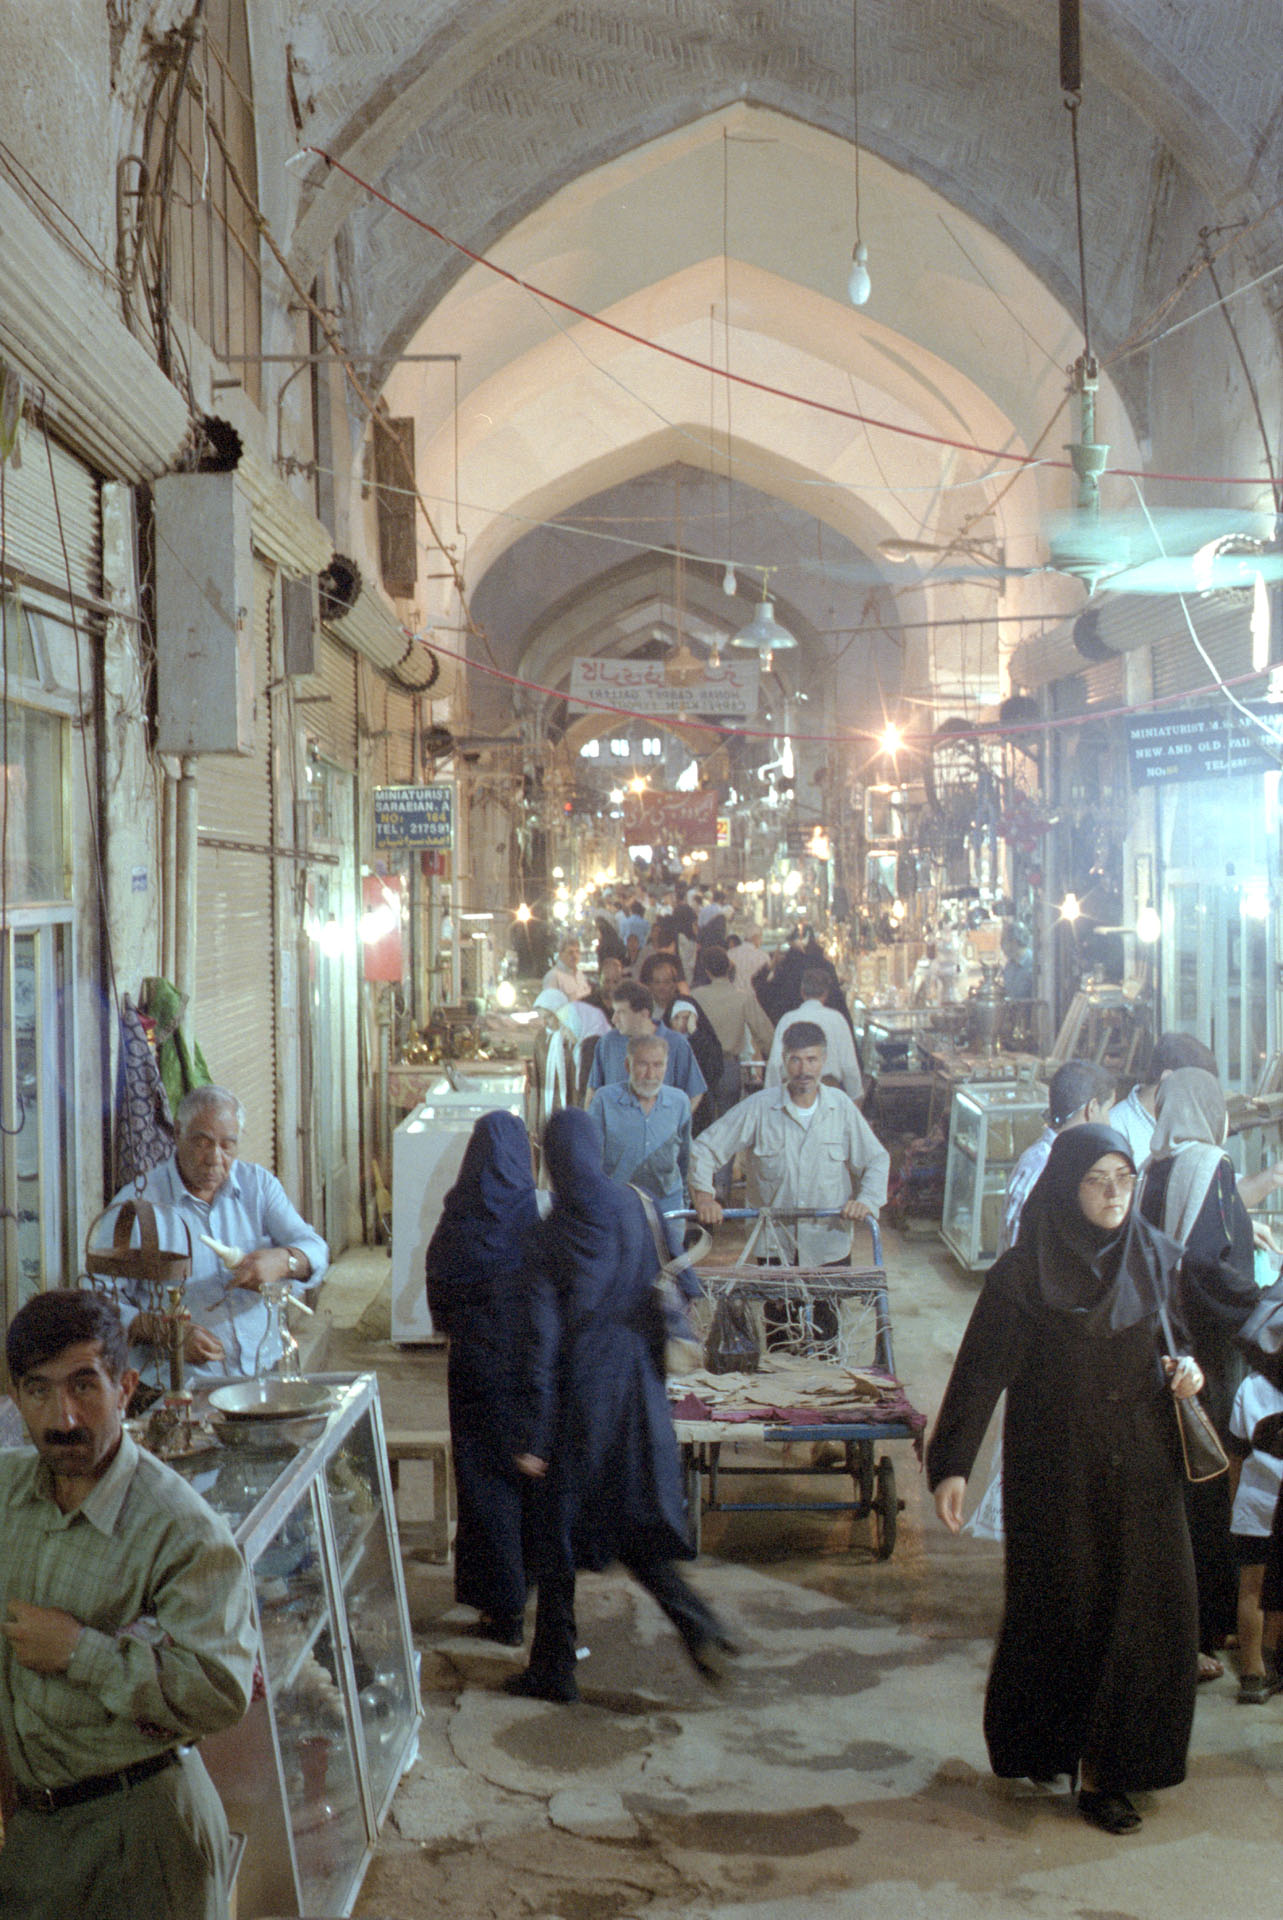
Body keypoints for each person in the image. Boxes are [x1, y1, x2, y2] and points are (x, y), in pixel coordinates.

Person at [927, 1125, 1209, 1836]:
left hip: (1145, 1467)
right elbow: (978, 1374)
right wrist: (953, 1465)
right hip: (1056, 1469)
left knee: (1146, 1613)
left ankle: (1108, 1773)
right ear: (1066, 1184)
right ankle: (1057, 1747)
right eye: (1096, 1179)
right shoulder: (1024, 1274)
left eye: (1123, 1177)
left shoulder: (1154, 1254)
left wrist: (1190, 1372)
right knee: (1067, 1607)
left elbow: (1182, 1338)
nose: (1114, 1193)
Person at [0, 1290, 257, 1920]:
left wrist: (80, 1653)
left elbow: (221, 1690)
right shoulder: (8, 1497)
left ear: (126, 1387)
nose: (63, 1417)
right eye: (38, 1391)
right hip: (35, 1832)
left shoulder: (182, 1529)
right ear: (15, 1398)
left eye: (85, 1386)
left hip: (143, 1832)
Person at [505, 1109, 734, 1703]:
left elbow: (541, 1339)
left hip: (580, 1393)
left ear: (551, 1159)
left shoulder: (546, 1236)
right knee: (633, 1519)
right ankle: (698, 1621)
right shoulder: (640, 1203)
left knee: (554, 1529)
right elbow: (679, 1284)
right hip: (638, 1385)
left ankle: (553, 1666)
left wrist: (533, 1432)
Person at [1136, 1067, 1264, 1680]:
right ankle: (1206, 1628)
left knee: (1177, 1487)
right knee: (1210, 1485)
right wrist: (1264, 1303)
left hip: (1161, 1346)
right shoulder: (1211, 1161)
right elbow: (1210, 1263)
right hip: (1206, 1354)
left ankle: (1180, 1625)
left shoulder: (1152, 1166)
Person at [106, 1085, 328, 1385]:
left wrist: (284, 1261)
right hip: (179, 1386)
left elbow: (314, 1248)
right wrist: (167, 1332)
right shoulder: (136, 1206)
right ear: (177, 1133)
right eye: (202, 1143)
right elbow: (100, 1304)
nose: (215, 1158)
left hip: (265, 1372)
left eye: (228, 1145)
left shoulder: (258, 1186)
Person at [426, 1112, 543, 1646]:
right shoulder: (534, 1221)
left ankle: (500, 1607)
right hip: (528, 1371)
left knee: (482, 1482)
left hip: (475, 1367)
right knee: (525, 1478)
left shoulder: (459, 1218)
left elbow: (439, 1294)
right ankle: (528, 1590)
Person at [688, 1021, 890, 1269]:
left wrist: (866, 1200)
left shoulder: (841, 1108)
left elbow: (876, 1159)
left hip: (827, 1246)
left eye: (811, 1059)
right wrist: (705, 1198)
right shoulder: (760, 1108)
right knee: (778, 1309)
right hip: (774, 1245)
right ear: (783, 1060)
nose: (804, 1070)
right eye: (795, 1060)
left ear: (823, 1059)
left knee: (828, 1309)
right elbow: (704, 1148)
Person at [588, 1035, 693, 1257]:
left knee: (669, 1275)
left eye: (658, 1065)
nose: (651, 1075)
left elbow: (684, 1157)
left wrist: (684, 1202)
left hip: (669, 1207)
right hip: (618, 1208)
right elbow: (590, 1157)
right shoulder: (605, 1100)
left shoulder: (679, 1102)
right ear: (628, 1065)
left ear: (667, 1065)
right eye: (643, 1064)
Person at [996, 1059, 1114, 1257]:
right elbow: (1020, 1253)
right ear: (1092, 1109)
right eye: (1107, 1111)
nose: (1109, 1123)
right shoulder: (1043, 1168)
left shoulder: (1050, 1161)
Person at [1226, 1366, 1283, 1701]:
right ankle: (1272, 1661)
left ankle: (1252, 1672)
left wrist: (1235, 1501)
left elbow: (1236, 1449)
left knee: (1252, 1588)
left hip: (1256, 1499)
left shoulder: (1252, 1383)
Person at [587, 978, 707, 1115]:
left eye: (621, 1012)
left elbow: (695, 1092)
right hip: (614, 1134)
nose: (614, 1019)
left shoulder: (676, 1044)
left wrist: (674, 1125)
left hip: (659, 1133)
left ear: (644, 1014)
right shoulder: (607, 1042)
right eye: (614, 1012)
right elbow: (593, 1091)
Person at [640, 953, 724, 1119]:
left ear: (674, 984)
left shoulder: (686, 1006)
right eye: (657, 982)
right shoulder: (645, 1013)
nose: (662, 987)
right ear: (649, 985)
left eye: (666, 982)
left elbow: (709, 1051)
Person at [762, 966, 863, 1102]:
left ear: (802, 991)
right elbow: (849, 1066)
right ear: (826, 993)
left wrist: (771, 1097)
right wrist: (855, 1097)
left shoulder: (787, 1019)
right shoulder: (837, 1019)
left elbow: (775, 1064)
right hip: (829, 1094)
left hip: (794, 1095)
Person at [729, 924, 770, 993]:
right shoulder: (763, 956)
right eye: (761, 937)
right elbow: (768, 979)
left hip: (734, 998)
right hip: (755, 998)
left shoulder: (730, 953)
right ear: (755, 937)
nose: (761, 941)